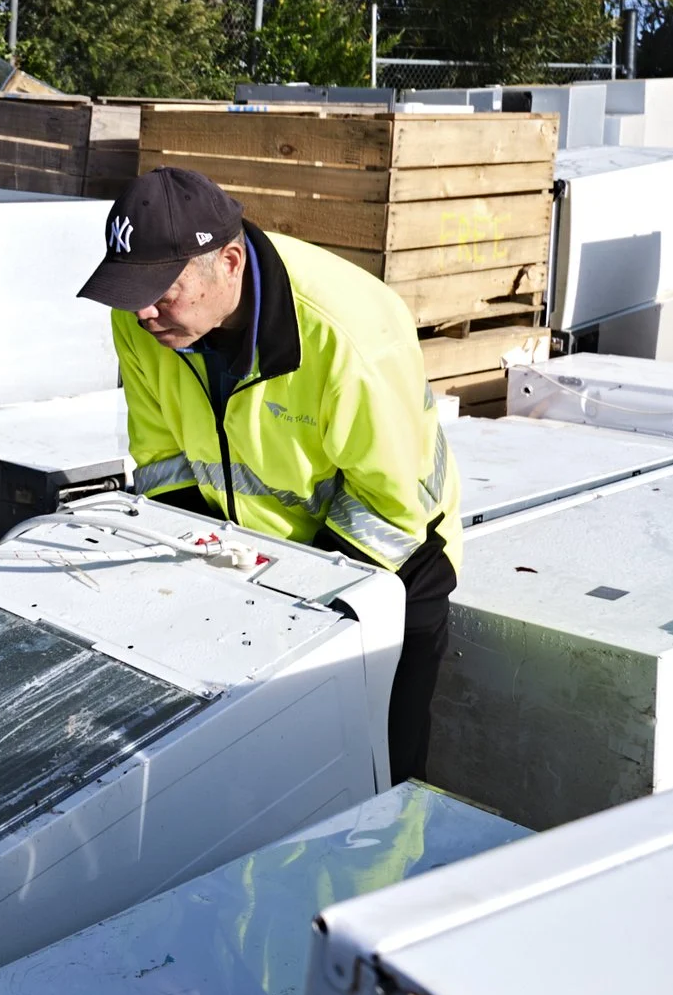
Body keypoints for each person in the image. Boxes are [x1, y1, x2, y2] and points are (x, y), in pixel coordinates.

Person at [79, 166, 460, 784]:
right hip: (250, 568)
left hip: (388, 570)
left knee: (370, 782)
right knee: (261, 784)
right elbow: (163, 463)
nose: (143, 312)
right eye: (129, 290)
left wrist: (290, 617)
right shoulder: (142, 317)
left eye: (161, 290)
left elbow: (389, 511)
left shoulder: (350, 336)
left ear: (228, 262)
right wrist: (210, 587)